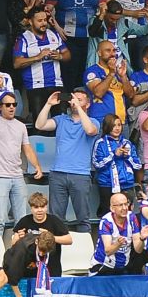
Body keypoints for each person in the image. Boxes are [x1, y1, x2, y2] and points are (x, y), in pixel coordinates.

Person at [0, 91, 43, 229]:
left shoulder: (21, 126)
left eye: (14, 104)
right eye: (7, 105)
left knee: (22, 221)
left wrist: (37, 166)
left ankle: (20, 250)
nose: (12, 107)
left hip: (18, 176)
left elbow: (27, 148)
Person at [35, 88, 99, 225]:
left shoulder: (94, 121)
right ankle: (57, 246)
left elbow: (89, 130)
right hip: (58, 173)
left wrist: (80, 109)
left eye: (79, 100)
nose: (74, 102)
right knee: (55, 219)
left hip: (80, 175)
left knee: (83, 219)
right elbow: (39, 125)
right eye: (73, 99)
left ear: (87, 104)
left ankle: (84, 246)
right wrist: (48, 104)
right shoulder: (61, 119)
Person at [92, 190, 148, 274]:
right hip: (103, 265)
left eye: (126, 204)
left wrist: (142, 238)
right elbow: (108, 251)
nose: (124, 208)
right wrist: (118, 244)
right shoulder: (106, 221)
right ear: (112, 208)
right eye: (120, 205)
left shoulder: (131, 217)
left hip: (123, 265)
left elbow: (138, 250)